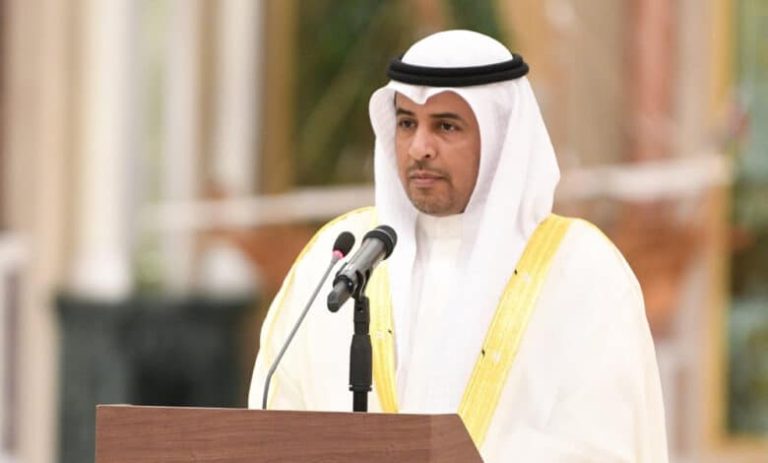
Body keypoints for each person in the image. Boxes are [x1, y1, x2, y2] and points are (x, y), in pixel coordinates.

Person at [248, 30, 668, 462]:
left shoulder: (581, 271)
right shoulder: (340, 258)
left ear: (501, 138)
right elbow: (275, 423)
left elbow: (606, 444)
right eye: (407, 123)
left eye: (446, 126)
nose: (419, 148)